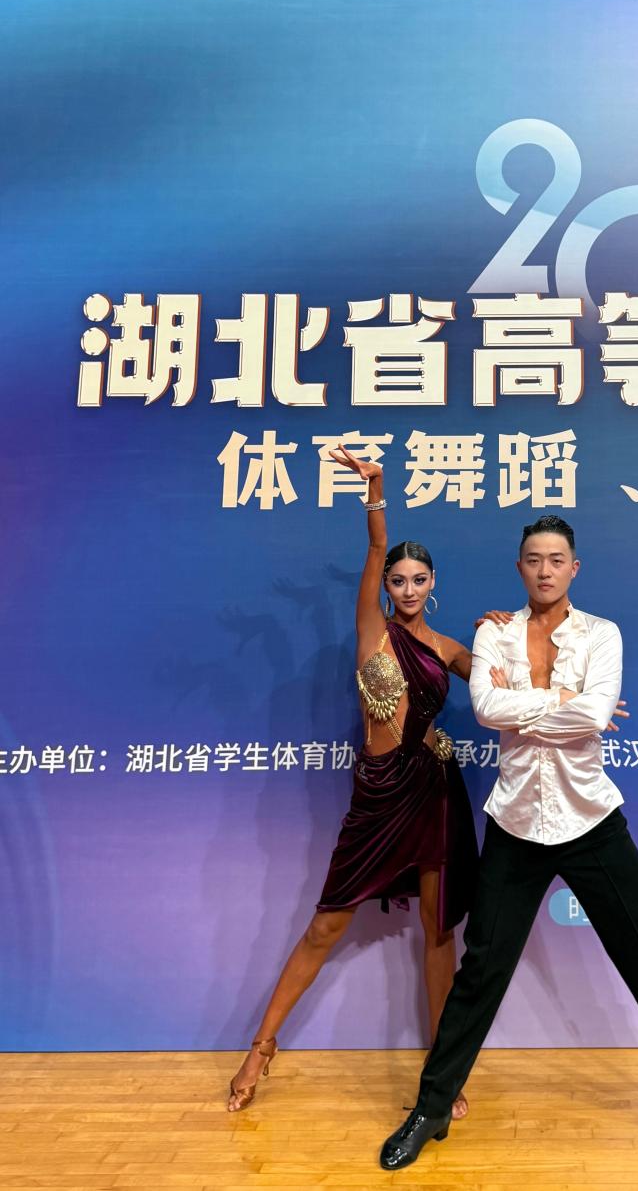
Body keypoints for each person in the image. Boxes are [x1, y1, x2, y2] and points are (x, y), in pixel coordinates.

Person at [380, 514, 638, 1167]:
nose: (545, 569)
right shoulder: (493, 632)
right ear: (519, 567)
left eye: (556, 559)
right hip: (516, 821)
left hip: (590, 818)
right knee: (481, 970)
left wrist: (544, 706)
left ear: (573, 568)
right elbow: (489, 710)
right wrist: (565, 701)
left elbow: (593, 711)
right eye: (533, 559)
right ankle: (432, 1107)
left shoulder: (602, 633)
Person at [227, 445, 480, 1118]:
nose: (407, 588)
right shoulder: (374, 631)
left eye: (417, 579)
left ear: (433, 583)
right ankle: (261, 1047)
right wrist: (376, 488)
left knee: (437, 932)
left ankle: (442, 1067)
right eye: (398, 579)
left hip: (435, 793)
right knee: (325, 925)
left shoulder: (450, 648)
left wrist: (520, 642)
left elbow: (502, 686)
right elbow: (372, 549)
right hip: (380, 793)